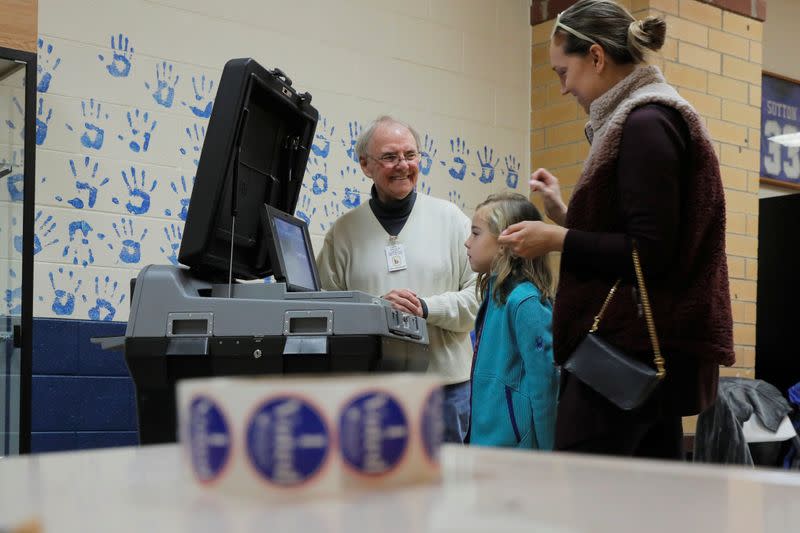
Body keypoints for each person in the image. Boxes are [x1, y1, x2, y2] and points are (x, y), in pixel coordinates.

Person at [497, 0, 734, 459]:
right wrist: (566, 214)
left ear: (597, 57)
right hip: (647, 349)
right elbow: (641, 235)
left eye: (563, 72)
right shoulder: (648, 119)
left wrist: (556, 239)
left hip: (628, 351)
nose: (563, 88)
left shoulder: (646, 123)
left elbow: (650, 252)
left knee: (591, 494)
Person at [315, 115, 478, 443]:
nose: (403, 165)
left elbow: (480, 297)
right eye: (390, 157)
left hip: (445, 391)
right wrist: (376, 313)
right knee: (377, 492)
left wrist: (426, 308)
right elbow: (324, 312)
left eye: (411, 155)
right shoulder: (343, 233)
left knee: (448, 490)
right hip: (372, 394)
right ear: (365, 165)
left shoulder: (452, 220)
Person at [465, 193, 559, 450]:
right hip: (487, 446)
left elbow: (546, 385)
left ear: (507, 243)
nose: (467, 242)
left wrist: (553, 455)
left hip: (518, 453)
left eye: (475, 233)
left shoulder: (524, 302)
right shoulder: (495, 295)